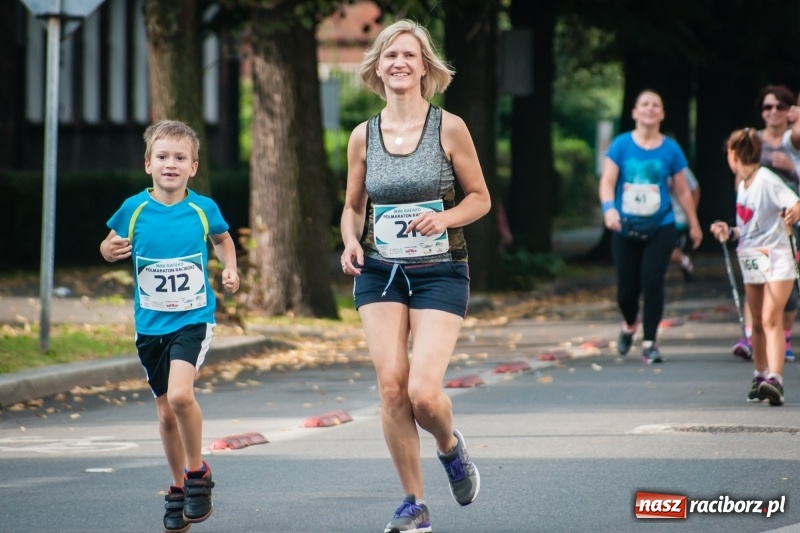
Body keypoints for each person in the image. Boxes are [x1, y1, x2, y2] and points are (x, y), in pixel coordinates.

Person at [339, 19, 490, 533]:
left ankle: (450, 448)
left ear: (425, 67)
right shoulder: (363, 136)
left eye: (409, 55)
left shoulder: (448, 127)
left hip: (440, 270)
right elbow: (353, 205)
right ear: (376, 68)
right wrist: (352, 240)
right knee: (390, 388)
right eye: (390, 56)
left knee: (424, 394)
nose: (399, 63)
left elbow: (480, 199)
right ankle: (414, 504)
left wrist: (444, 218)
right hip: (380, 270)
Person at [100, 120, 240, 532]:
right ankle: (177, 488)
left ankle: (197, 476)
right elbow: (108, 245)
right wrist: (109, 250)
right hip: (150, 324)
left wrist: (229, 268)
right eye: (162, 157)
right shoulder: (134, 208)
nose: (171, 164)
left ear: (193, 166)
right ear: (148, 163)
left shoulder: (202, 208)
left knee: (181, 396)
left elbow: (222, 239)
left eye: (180, 158)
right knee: (164, 414)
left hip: (193, 318)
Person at [598, 89, 702, 364]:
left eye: (656, 105)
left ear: (662, 114)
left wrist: (694, 224)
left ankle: (650, 343)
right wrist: (609, 210)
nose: (650, 109)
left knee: (653, 282)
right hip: (625, 226)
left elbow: (682, 190)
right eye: (644, 104)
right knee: (626, 291)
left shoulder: (671, 149)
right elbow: (608, 182)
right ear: (634, 112)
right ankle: (630, 323)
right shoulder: (621, 145)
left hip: (662, 225)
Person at [710, 128, 800, 406]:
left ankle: (776, 379)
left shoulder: (766, 179)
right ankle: (759, 376)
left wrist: (795, 210)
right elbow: (750, 227)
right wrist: (730, 231)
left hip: (777, 259)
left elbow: (794, 202)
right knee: (758, 322)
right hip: (753, 259)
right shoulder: (743, 185)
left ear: (733, 155)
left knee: (771, 318)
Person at [731, 85, 799, 362]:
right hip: (757, 222)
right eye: (767, 107)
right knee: (756, 278)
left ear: (789, 111)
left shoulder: (791, 140)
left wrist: (792, 168)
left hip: (789, 219)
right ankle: (752, 336)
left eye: (780, 107)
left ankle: (780, 337)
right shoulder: (752, 139)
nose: (773, 112)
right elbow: (741, 179)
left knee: (787, 284)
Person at [668, 167, 701, 281]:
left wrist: (691, 216)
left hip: (678, 219)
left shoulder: (681, 168)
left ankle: (684, 260)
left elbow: (695, 190)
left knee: (668, 250)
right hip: (658, 218)